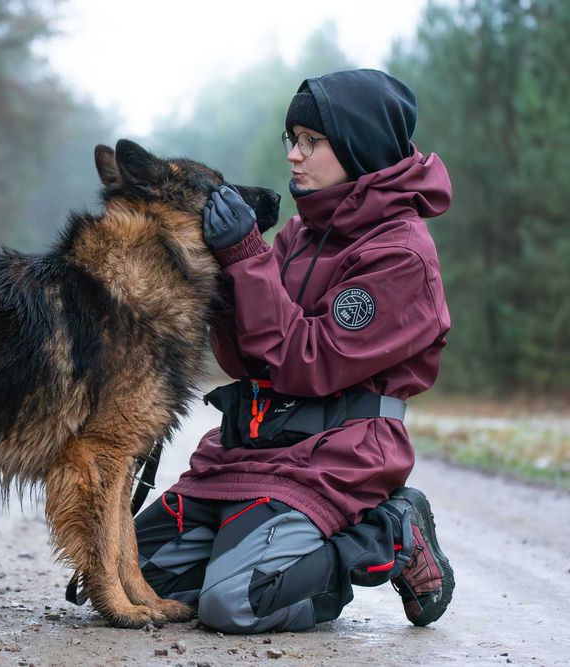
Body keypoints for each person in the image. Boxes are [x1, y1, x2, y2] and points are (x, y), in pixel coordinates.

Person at [134, 69, 455, 633]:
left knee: (236, 604)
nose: (294, 156)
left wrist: (246, 257)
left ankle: (392, 530)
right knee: (126, 581)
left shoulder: (400, 254)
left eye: (312, 141)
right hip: (249, 453)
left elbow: (309, 360)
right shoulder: (301, 235)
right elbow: (247, 360)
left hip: (334, 459)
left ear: (358, 145)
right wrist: (223, 276)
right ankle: (250, 548)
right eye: (292, 140)